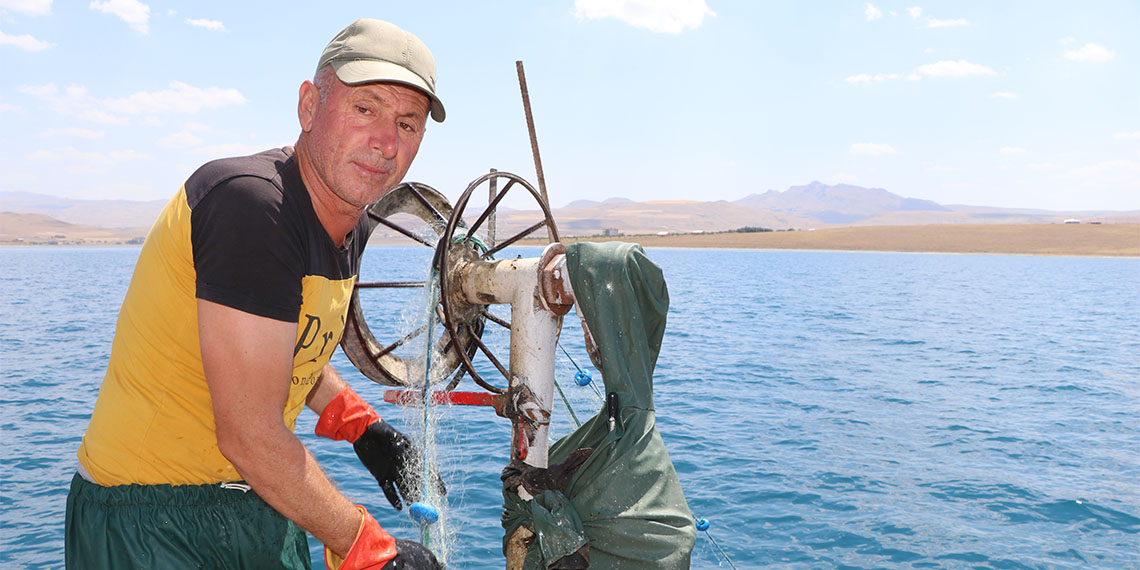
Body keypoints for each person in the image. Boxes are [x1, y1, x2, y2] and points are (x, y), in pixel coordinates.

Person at [65, 19, 445, 570]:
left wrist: (361, 425)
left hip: (254, 503)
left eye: (407, 124)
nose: (386, 143)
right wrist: (370, 547)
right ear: (309, 106)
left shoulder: (352, 226)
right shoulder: (250, 205)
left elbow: (282, 351)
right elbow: (248, 434)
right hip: (146, 516)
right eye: (366, 108)